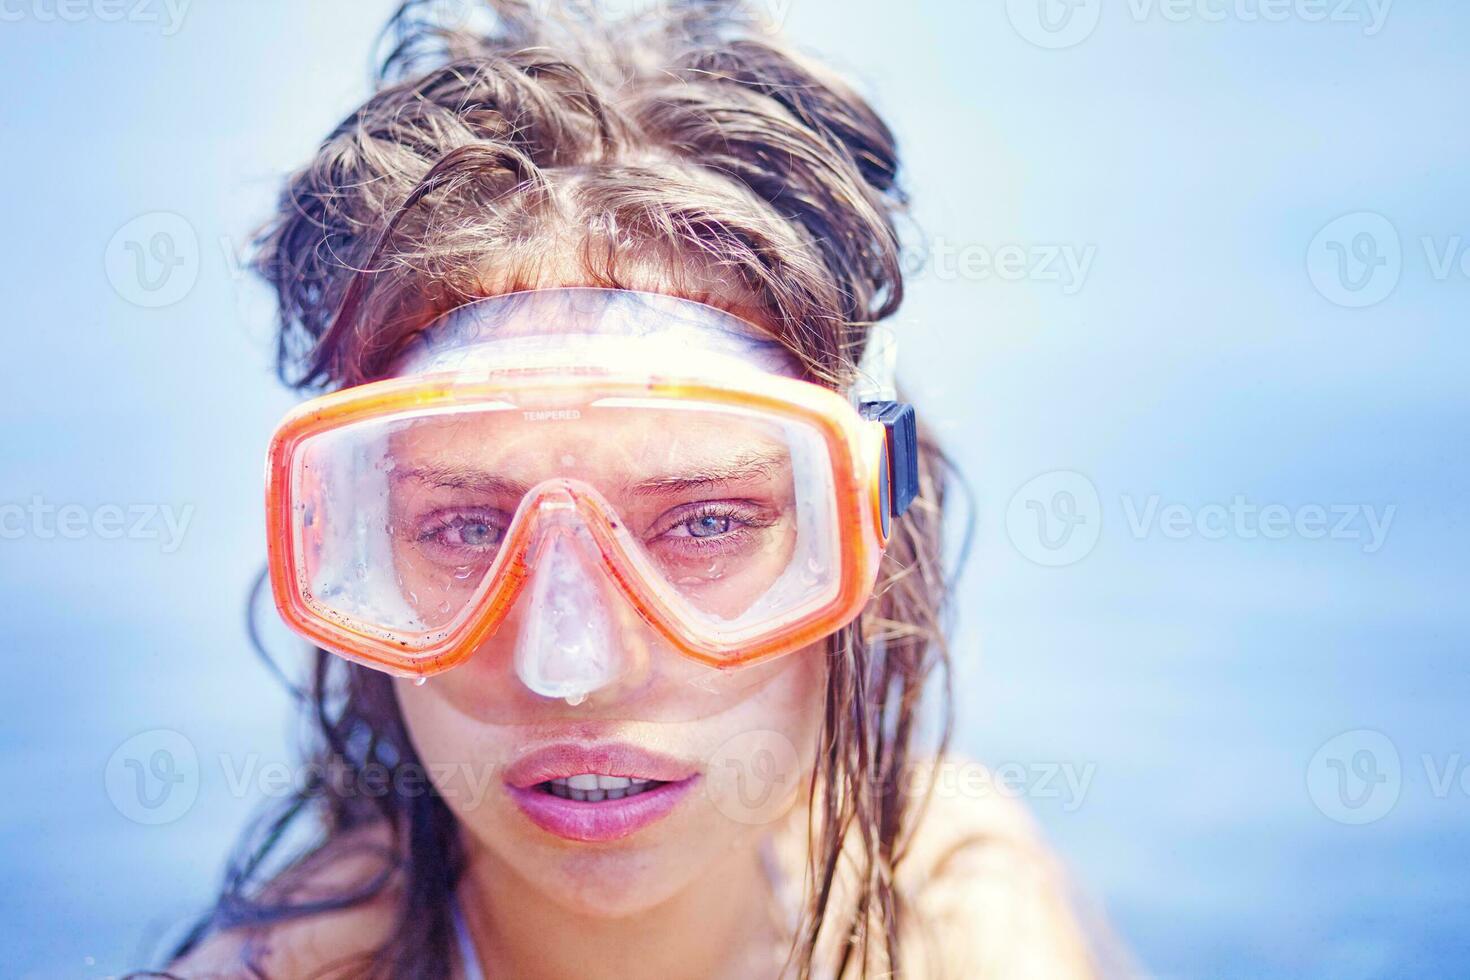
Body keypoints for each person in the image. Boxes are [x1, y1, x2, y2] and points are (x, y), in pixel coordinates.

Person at [164, 2, 1105, 976]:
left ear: (862, 528)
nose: (573, 666)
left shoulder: (961, 906)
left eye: (704, 521)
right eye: (464, 528)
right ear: (359, 554)